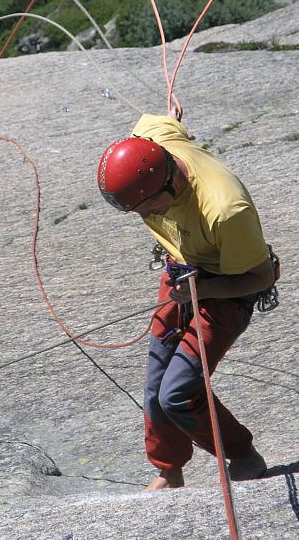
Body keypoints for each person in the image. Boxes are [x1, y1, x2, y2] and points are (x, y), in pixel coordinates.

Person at [97, 113, 278, 490]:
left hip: (227, 289)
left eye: (149, 207)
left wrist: (205, 290)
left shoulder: (225, 210)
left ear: (170, 179)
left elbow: (261, 278)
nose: (145, 215)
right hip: (182, 273)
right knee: (156, 381)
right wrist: (174, 121)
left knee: (177, 393)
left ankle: (243, 455)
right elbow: (156, 122)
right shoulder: (154, 141)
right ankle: (169, 470)